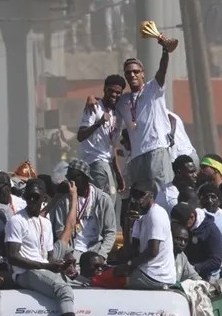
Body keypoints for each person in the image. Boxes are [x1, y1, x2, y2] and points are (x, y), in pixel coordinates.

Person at [5, 179, 102, 316]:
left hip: (41, 267)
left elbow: (49, 258)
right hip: (24, 273)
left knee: (72, 278)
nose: (32, 200)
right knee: (64, 290)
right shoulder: (16, 221)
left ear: (44, 198)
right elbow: (12, 257)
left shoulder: (45, 222)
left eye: (36, 197)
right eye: (29, 197)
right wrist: (47, 266)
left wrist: (63, 265)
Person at [116, 38, 177, 193]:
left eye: (136, 72)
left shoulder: (153, 88)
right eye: (128, 73)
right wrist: (91, 98)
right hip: (136, 155)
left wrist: (165, 51)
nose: (132, 75)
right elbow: (106, 101)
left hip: (156, 149)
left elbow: (162, 70)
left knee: (161, 194)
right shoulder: (123, 100)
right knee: (140, 196)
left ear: (143, 74)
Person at [50, 159, 118, 262]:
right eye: (68, 177)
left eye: (74, 177)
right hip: (73, 251)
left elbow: (110, 232)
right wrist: (68, 253)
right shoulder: (63, 201)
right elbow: (60, 230)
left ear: (85, 177)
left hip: (95, 250)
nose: (71, 181)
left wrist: (102, 255)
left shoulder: (103, 199)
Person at [116, 181, 177, 289]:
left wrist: (129, 264)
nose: (137, 199)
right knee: (112, 273)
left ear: (151, 195)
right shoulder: (141, 217)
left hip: (157, 276)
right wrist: (127, 225)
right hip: (147, 273)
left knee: (111, 279)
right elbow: (130, 253)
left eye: (141, 194)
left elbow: (153, 252)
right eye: (134, 194)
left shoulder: (156, 214)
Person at [78, 74, 127, 199]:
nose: (114, 95)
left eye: (118, 92)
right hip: (95, 161)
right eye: (111, 90)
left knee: (110, 200)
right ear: (104, 89)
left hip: (107, 163)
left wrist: (118, 173)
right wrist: (98, 123)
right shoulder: (94, 107)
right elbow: (80, 136)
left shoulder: (117, 115)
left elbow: (112, 146)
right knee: (105, 201)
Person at [169, 202, 222, 280]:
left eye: (182, 224)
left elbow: (216, 261)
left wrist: (195, 267)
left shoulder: (211, 231)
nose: (179, 227)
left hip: (203, 275)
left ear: (192, 217)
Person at [198, 182, 222, 276]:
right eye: (206, 197)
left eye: (213, 197)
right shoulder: (198, 215)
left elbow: (221, 248)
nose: (209, 201)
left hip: (220, 265)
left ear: (219, 200)